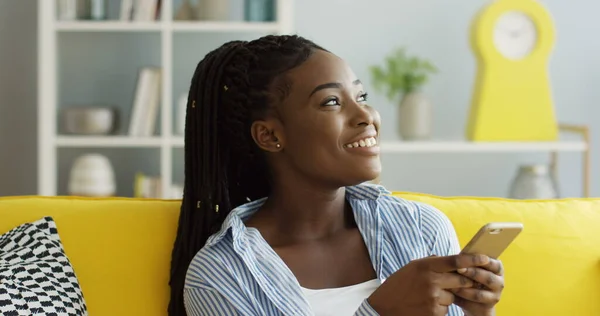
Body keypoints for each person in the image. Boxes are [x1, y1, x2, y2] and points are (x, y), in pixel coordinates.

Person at [168, 35, 504, 316]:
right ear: (269, 136)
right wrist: (379, 311)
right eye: (331, 102)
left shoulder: (423, 228)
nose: (366, 116)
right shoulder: (221, 275)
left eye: (361, 97)